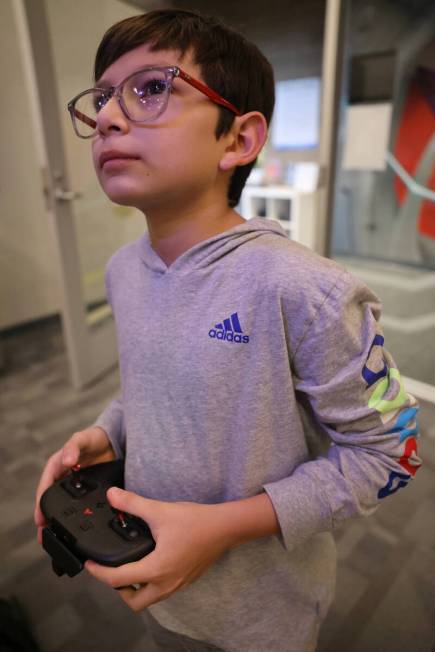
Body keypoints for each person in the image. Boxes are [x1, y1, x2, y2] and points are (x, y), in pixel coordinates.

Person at [34, 9, 422, 652]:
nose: (106, 117)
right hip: (159, 588)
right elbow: (145, 385)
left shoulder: (307, 291)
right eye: (102, 97)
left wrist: (222, 528)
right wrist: (109, 429)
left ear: (237, 140)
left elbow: (392, 452)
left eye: (152, 88)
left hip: (263, 616)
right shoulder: (123, 271)